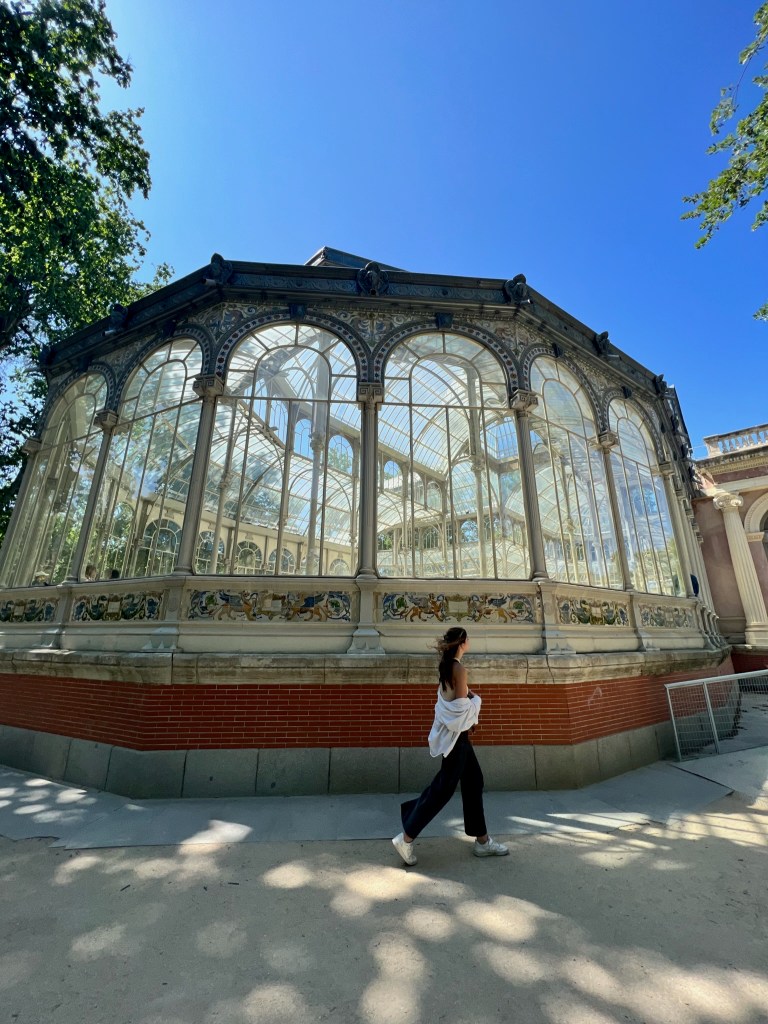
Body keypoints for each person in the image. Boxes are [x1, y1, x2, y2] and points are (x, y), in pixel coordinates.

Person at [392, 627, 508, 866]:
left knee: (474, 781)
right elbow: (462, 708)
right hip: (459, 741)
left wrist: (470, 701)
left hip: (458, 739)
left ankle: (482, 841)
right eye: (468, 639)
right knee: (442, 789)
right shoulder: (459, 668)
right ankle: (406, 837)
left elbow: (456, 701)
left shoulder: (448, 667)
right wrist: (476, 702)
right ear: (463, 642)